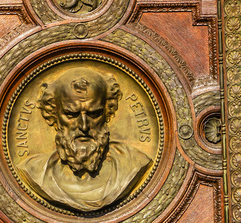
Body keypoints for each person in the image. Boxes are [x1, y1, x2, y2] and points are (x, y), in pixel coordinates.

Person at [20, 70, 152, 212]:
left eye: (94, 114)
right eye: (71, 114)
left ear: (107, 113)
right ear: (53, 114)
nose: (83, 126)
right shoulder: (34, 170)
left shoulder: (133, 163)